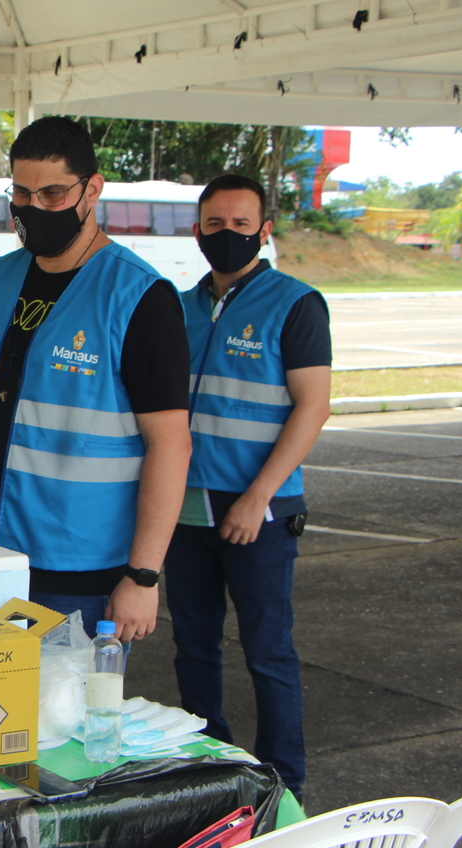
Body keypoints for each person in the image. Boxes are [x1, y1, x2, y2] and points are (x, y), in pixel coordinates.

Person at [0, 116, 193, 643]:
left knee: (67, 722)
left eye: (53, 194)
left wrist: (143, 575)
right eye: (22, 193)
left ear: (93, 190)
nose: (34, 208)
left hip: (76, 574)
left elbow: (171, 445)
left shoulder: (139, 297)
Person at [163, 174, 332, 800]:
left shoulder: (295, 303)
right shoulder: (179, 307)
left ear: (264, 230)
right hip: (185, 510)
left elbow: (312, 407)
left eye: (240, 225)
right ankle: (211, 766)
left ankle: (283, 780)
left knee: (267, 649)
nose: (226, 235)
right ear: (197, 230)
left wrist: (260, 495)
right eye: (214, 225)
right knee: (193, 646)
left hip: (260, 507)